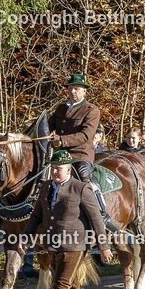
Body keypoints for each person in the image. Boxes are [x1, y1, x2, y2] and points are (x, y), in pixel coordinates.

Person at [21, 150, 113, 289]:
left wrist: (104, 246)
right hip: (52, 244)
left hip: (75, 244)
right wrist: (27, 237)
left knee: (60, 283)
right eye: (53, 168)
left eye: (59, 169)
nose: (55, 172)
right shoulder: (46, 187)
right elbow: (37, 215)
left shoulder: (80, 188)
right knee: (71, 284)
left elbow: (96, 218)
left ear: (69, 169)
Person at [49, 72, 115, 228]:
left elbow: (85, 135)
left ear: (84, 91)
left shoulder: (91, 110)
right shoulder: (60, 109)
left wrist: (62, 140)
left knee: (84, 178)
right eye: (71, 88)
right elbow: (48, 127)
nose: (73, 92)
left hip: (80, 155)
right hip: (58, 155)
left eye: (77, 89)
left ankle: (100, 213)